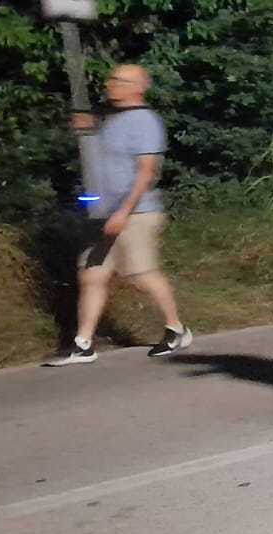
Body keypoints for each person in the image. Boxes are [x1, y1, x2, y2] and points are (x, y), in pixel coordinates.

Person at [45, 65, 193, 366]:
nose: (112, 84)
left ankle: (176, 330)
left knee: (141, 274)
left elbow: (146, 172)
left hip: (136, 213)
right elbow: (103, 163)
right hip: (105, 215)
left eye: (121, 80)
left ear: (139, 87)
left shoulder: (145, 121)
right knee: (92, 275)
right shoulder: (111, 121)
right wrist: (89, 131)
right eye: (112, 79)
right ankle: (83, 344)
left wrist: (123, 212)